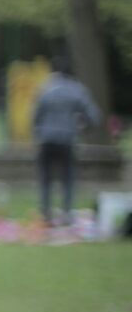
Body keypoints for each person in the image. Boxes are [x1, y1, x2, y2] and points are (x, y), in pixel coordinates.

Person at [33, 55, 101, 225]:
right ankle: (67, 214)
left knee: (46, 178)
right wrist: (82, 126)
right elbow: (94, 116)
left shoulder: (45, 89)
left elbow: (35, 117)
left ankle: (46, 213)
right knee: (68, 178)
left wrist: (39, 132)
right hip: (67, 139)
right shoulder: (77, 90)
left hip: (46, 139)